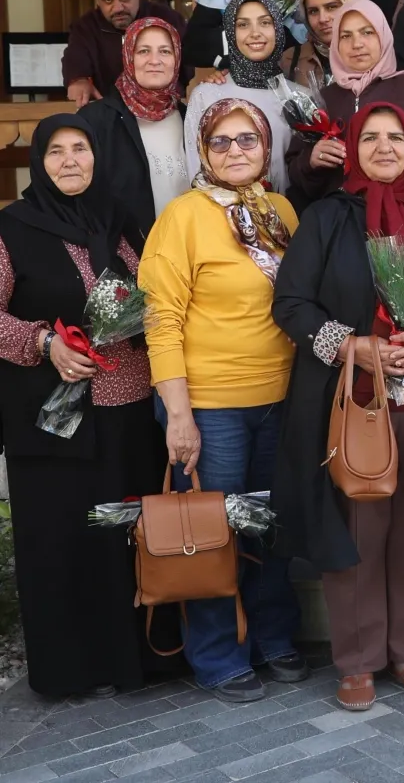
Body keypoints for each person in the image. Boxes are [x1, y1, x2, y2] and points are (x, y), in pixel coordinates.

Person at [272, 102, 404, 711]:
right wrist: (351, 346)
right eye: (370, 137)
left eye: (395, 137)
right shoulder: (327, 218)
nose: (383, 148)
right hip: (355, 404)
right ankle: (357, 660)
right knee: (360, 529)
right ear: (351, 149)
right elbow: (290, 303)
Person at [141, 98, 305, 703]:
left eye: (247, 140)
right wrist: (179, 415)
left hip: (279, 399)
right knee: (211, 533)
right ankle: (218, 656)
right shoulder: (183, 216)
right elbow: (160, 319)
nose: (235, 151)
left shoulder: (279, 211)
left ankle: (272, 636)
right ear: (203, 151)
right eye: (221, 142)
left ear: (266, 147)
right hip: (209, 406)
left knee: (268, 528)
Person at [0, 117, 168, 698]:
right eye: (56, 151)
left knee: (127, 536)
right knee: (65, 541)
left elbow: (154, 297)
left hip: (130, 413)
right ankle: (73, 669)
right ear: (39, 163)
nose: (70, 160)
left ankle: (140, 660)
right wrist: (44, 342)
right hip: (54, 418)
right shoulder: (12, 228)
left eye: (80, 148)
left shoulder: (122, 223)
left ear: (97, 157)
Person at [286, 0, 404, 207]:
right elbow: (296, 172)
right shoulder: (324, 98)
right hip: (342, 217)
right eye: (345, 36)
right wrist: (311, 161)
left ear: (383, 35)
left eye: (367, 32)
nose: (357, 44)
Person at [77, 18, 187, 234]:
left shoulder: (189, 117)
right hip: (124, 247)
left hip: (185, 243)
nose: (154, 60)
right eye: (143, 51)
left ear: (177, 59)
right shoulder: (96, 119)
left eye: (165, 51)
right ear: (128, 57)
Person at [184, 0, 295, 194]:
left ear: (278, 29)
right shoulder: (207, 95)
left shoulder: (299, 97)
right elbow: (196, 172)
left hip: (289, 210)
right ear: (230, 32)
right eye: (243, 25)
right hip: (222, 211)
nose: (255, 32)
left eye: (265, 22)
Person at [63, 0, 188, 106]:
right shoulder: (86, 27)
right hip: (109, 111)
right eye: (108, 0)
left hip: (166, 108)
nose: (118, 8)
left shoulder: (168, 19)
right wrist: (78, 79)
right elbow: (75, 59)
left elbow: (190, 65)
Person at [282, 0, 361, 89]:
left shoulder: (373, 55)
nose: (323, 19)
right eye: (313, 11)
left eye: (332, 7)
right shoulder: (291, 59)